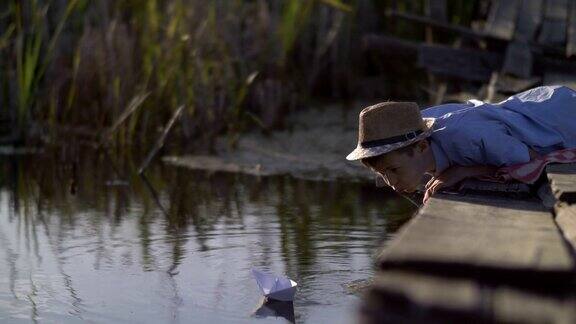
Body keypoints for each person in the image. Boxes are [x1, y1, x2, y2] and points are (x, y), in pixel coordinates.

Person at [346, 85, 576, 202]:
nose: (391, 183)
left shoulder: (467, 137)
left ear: (422, 147)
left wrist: (464, 171)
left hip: (561, 116)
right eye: (384, 174)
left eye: (394, 170)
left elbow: (528, 158)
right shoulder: (411, 133)